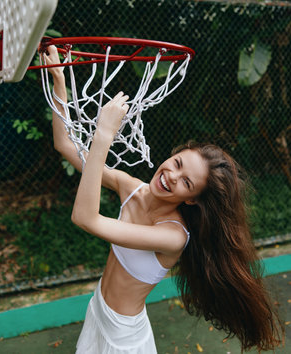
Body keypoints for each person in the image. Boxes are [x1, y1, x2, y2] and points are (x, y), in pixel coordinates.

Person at [45, 45, 284, 353]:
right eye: (178, 163)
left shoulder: (172, 236)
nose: (172, 175)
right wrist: (59, 82)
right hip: (98, 311)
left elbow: (85, 219)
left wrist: (104, 135)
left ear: (192, 200)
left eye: (186, 182)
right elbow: (65, 145)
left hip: (124, 339)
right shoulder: (130, 186)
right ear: (173, 154)